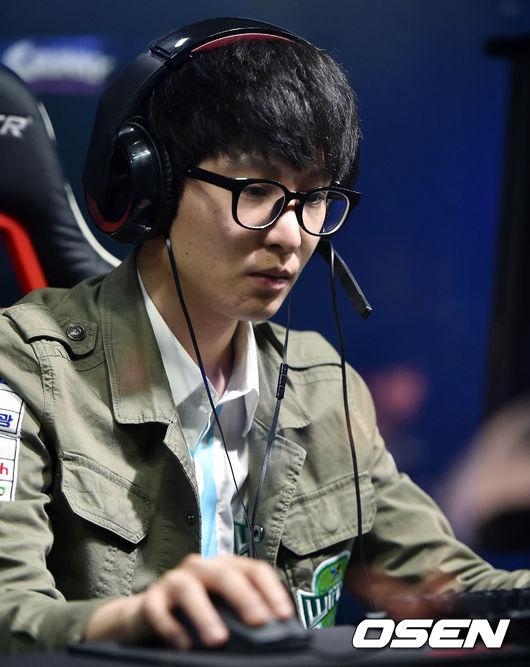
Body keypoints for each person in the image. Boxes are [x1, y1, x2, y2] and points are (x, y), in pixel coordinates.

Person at [0, 17, 529, 654]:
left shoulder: (320, 385)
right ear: (150, 187)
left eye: (316, 198)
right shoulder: (24, 369)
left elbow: (452, 589)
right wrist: (130, 624)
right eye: (256, 191)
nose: (291, 235)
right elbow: (9, 609)